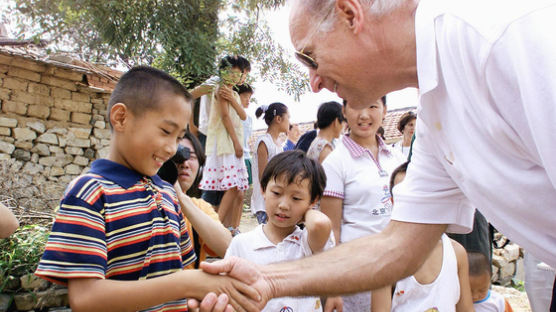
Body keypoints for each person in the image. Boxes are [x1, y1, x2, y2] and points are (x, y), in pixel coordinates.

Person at [190, 0, 556, 310]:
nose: (314, 82)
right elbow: (397, 246)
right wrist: (267, 280)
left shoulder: (503, 38)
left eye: (309, 57)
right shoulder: (436, 111)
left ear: (350, 14)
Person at [33, 66, 258, 312]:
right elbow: (86, 299)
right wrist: (186, 284)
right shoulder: (90, 193)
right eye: (165, 132)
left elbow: (183, 276)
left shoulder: (167, 194)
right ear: (121, 118)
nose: (173, 148)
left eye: (178, 137)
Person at [226, 150, 342, 311]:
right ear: (263, 189)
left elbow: (320, 224)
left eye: (296, 198)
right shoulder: (242, 243)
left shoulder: (307, 242)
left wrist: (306, 210)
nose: (283, 205)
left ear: (313, 200)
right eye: (276, 193)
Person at [319, 97, 403, 311]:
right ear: (344, 111)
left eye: (373, 106)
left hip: (399, 269)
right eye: (356, 106)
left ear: (385, 110)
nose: (364, 115)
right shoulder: (335, 163)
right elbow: (331, 230)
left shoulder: (396, 157)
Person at [372, 161, 473, 312]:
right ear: (393, 202)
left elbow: (465, 308)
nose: (414, 204)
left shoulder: (456, 253)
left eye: (420, 195)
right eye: (405, 196)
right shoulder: (385, 257)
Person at [199, 56, 250, 233]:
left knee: (237, 189)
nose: (242, 76)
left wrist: (235, 101)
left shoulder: (233, 93)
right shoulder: (220, 89)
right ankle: (215, 229)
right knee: (233, 187)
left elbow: (243, 116)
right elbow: (225, 117)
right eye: (241, 72)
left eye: (244, 74)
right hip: (224, 143)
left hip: (231, 143)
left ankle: (224, 228)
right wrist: (237, 143)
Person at [171, 132, 232, 267]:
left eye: (191, 157)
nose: (185, 163)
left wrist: (181, 197)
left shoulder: (199, 207)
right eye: (177, 155)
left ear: (200, 167)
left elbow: (228, 248)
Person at [189, 56, 251, 149]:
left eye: (245, 74)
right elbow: (189, 96)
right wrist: (191, 125)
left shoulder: (231, 90)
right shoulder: (215, 82)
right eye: (244, 73)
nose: (244, 77)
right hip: (209, 136)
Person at [251, 102, 290, 224]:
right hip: (265, 204)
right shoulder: (264, 142)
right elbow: (263, 177)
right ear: (278, 119)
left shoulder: (278, 143)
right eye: (288, 117)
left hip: (275, 201)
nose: (290, 122)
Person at [235, 84, 255, 187]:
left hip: (246, 157)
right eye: (245, 96)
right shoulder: (231, 115)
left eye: (249, 97)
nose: (248, 100)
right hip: (234, 158)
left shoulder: (250, 119)